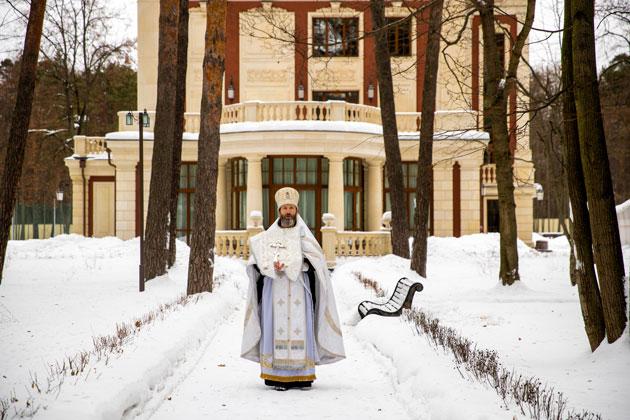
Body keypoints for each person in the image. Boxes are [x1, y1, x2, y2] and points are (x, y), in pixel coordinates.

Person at [241, 187, 345, 390]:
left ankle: (303, 376)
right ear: (279, 211)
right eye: (284, 208)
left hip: (299, 287)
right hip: (275, 287)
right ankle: (275, 375)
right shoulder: (269, 235)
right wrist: (269, 265)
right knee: (274, 326)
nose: (288, 211)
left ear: (296, 210)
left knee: (301, 325)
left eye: (291, 208)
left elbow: (318, 261)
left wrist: (300, 263)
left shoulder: (305, 235)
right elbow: (256, 260)